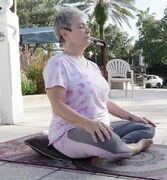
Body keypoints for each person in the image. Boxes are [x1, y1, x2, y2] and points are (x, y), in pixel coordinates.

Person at [43, 7, 155, 163]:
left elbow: (104, 102)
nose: (88, 30)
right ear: (65, 33)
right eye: (81, 27)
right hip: (71, 130)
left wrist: (132, 117)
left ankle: (108, 146)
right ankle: (134, 147)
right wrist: (87, 124)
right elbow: (57, 105)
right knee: (112, 145)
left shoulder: (92, 66)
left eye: (87, 26)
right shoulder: (58, 63)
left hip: (102, 126)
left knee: (146, 127)